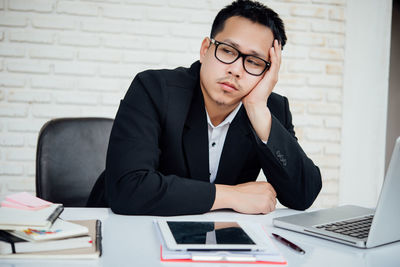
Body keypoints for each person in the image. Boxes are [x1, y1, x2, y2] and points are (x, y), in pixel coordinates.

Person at [87, 0, 322, 216]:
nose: (236, 70)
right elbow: (129, 189)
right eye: (228, 51)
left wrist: (257, 108)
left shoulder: (270, 110)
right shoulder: (154, 89)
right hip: (122, 230)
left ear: (268, 71)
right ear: (205, 49)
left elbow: (303, 195)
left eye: (253, 62)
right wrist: (233, 195)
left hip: (211, 240)